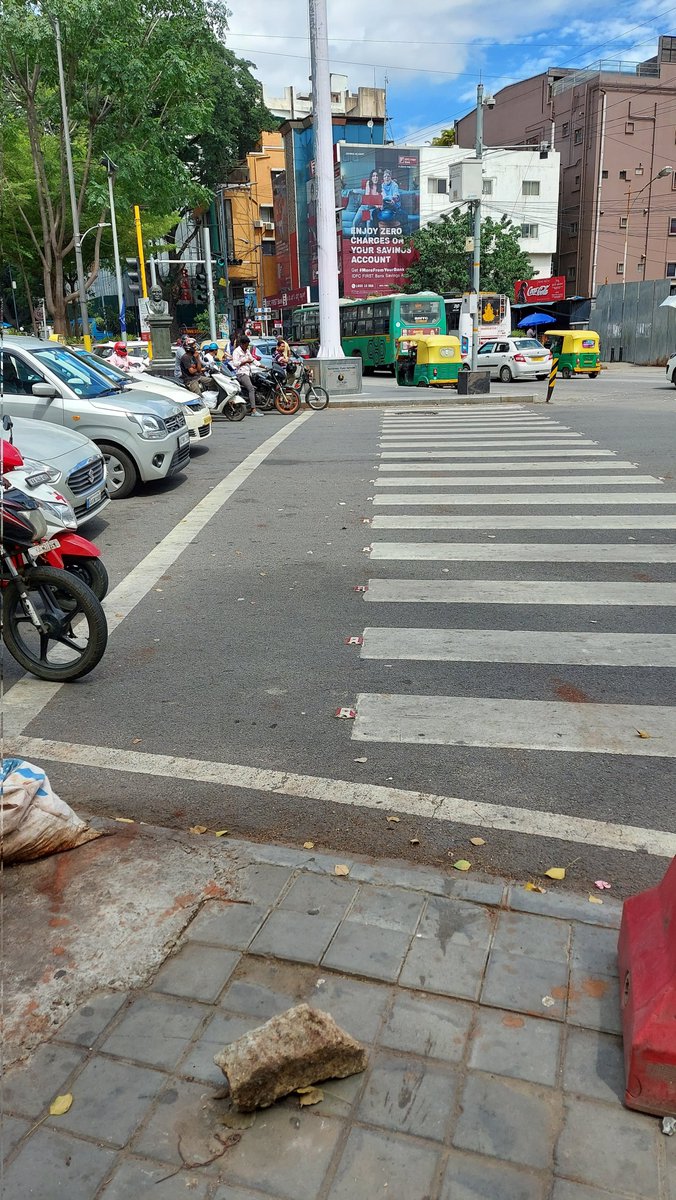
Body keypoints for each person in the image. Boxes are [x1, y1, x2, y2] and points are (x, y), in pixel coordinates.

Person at [231, 335, 261, 415]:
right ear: (242, 344)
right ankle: (253, 410)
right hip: (241, 373)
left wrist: (263, 366)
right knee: (251, 389)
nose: (247, 347)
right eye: (246, 345)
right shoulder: (236, 351)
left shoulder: (247, 351)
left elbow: (252, 360)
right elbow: (235, 364)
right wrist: (244, 362)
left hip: (248, 372)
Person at [351, 169, 381, 235]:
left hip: (371, 209)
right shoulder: (368, 183)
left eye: (376, 176)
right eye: (373, 176)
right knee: (355, 222)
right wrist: (375, 202)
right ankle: (355, 238)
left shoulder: (380, 187)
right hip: (364, 207)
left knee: (369, 224)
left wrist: (376, 203)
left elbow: (379, 204)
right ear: (371, 177)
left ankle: (367, 241)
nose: (375, 177)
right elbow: (367, 196)